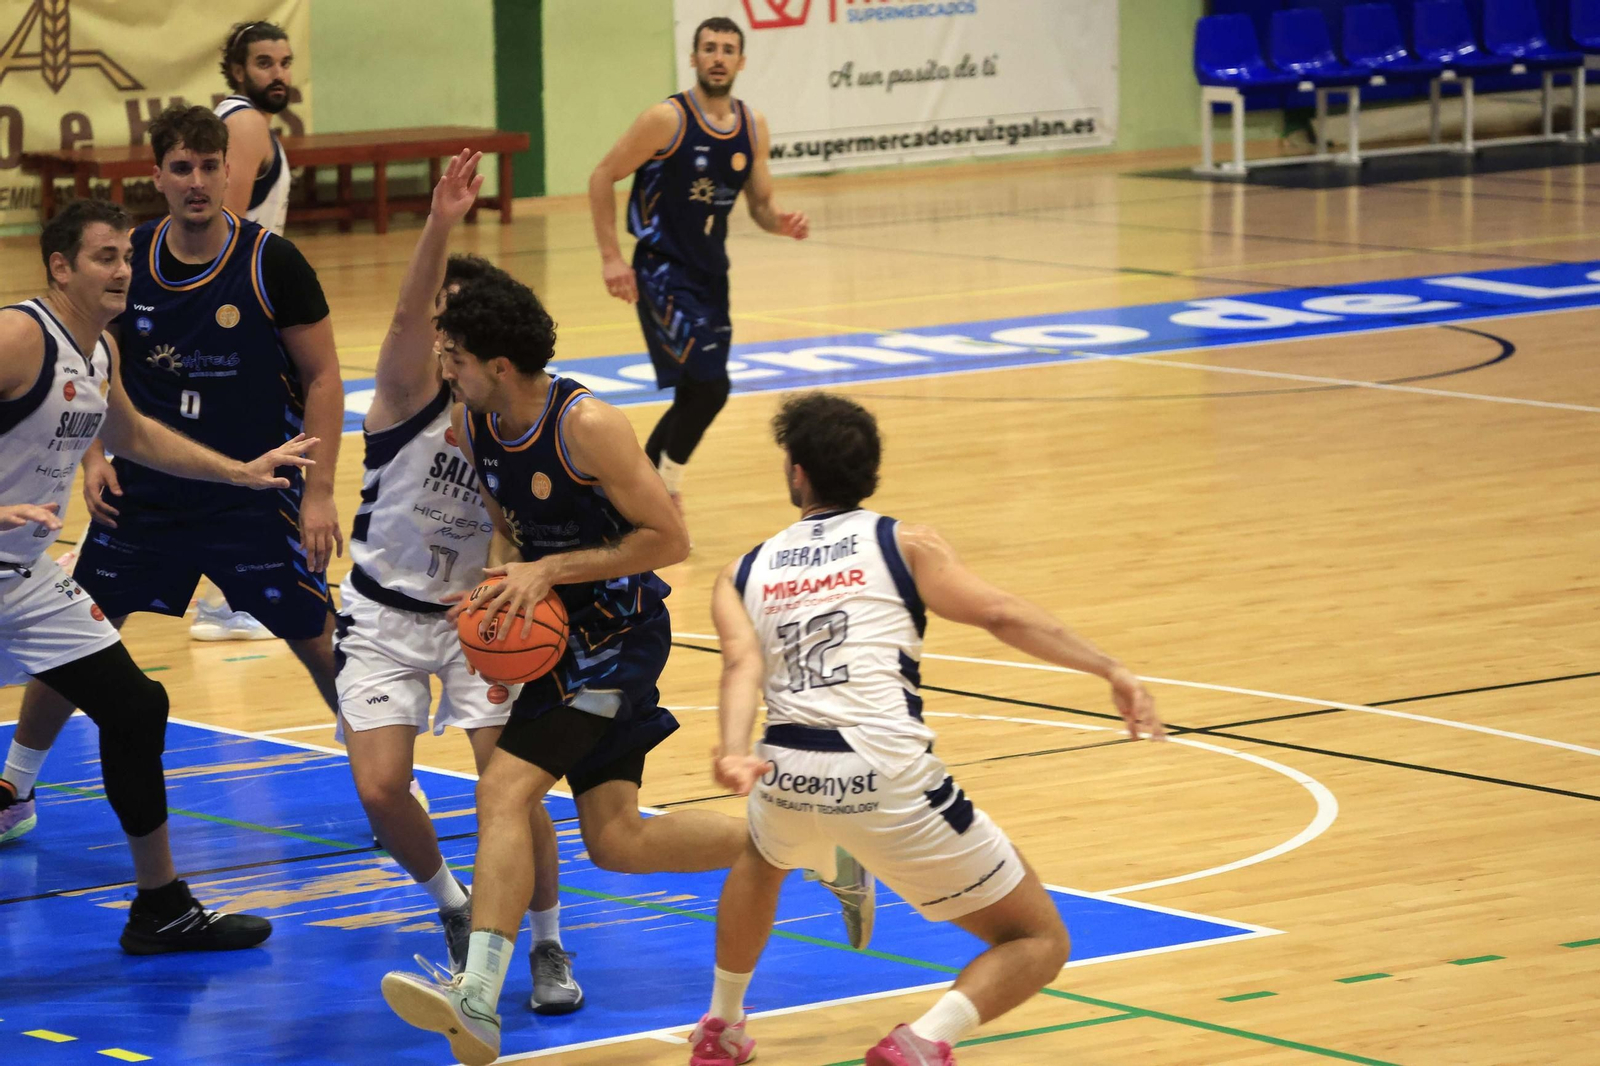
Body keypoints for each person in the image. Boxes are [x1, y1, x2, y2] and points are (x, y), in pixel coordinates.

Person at [377, 272, 869, 1066]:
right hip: (559, 639)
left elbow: (668, 540)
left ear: (500, 364)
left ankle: (476, 995)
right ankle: (815, 844)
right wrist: (505, 587)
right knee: (616, 840)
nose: (446, 370)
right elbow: (510, 534)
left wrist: (551, 572)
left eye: (457, 357)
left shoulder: (588, 425)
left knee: (504, 788)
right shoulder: (474, 426)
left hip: (619, 637)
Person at [689, 392, 1167, 1066]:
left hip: (784, 767)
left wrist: (734, 751)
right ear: (871, 474)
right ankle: (922, 1041)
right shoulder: (903, 543)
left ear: (795, 472)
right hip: (883, 773)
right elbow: (999, 613)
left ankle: (721, 1027)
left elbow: (741, 664)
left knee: (763, 858)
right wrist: (1109, 668)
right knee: (1039, 939)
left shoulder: (741, 570)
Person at [0, 105, 346, 844]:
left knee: (316, 635)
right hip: (144, 495)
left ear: (230, 171)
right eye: (181, 168)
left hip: (246, 490)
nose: (196, 182)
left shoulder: (271, 262)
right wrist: (93, 458)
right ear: (157, 177)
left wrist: (318, 490)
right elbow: (94, 379)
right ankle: (15, 784)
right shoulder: (124, 264)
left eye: (209, 166)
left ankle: (384, 780)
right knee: (73, 641)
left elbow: (324, 376)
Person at [336, 149, 579, 1010]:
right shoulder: (405, 398)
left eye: (455, 336)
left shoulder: (508, 413)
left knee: (508, 789)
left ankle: (549, 944)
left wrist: (523, 583)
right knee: (379, 786)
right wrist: (439, 221)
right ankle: (452, 901)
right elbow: (407, 318)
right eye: (436, 332)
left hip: (480, 621)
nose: (439, 345)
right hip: (380, 616)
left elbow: (530, 520)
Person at [589, 15, 808, 530]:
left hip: (712, 272)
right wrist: (611, 258)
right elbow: (603, 175)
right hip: (663, 270)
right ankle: (664, 492)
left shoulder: (752, 125)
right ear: (693, 58)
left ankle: (632, 493)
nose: (717, 57)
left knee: (695, 391)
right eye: (708, 47)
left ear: (741, 61)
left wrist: (781, 223)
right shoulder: (667, 119)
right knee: (712, 388)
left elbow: (760, 204)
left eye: (727, 49)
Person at [188, 18, 297, 639]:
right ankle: (240, 598)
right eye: (263, 63)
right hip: (243, 305)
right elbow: (223, 227)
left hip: (246, 300)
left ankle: (236, 593)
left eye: (283, 62)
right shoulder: (246, 123)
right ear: (236, 70)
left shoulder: (235, 120)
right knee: (253, 447)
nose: (277, 73)